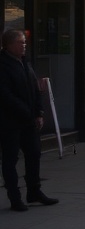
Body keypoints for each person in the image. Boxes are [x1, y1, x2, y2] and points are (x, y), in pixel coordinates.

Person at [0, 29, 58, 211]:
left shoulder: (25, 63)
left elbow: (35, 88)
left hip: (29, 120)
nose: (24, 45)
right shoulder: (3, 65)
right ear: (9, 45)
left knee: (34, 154)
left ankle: (34, 191)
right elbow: (5, 94)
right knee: (10, 159)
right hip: (10, 121)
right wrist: (26, 111)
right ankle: (14, 197)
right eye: (20, 42)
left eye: (24, 42)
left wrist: (38, 112)